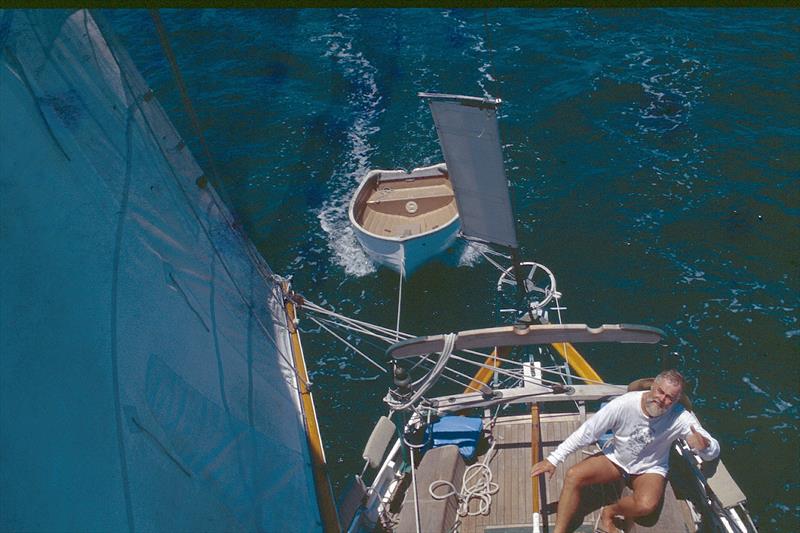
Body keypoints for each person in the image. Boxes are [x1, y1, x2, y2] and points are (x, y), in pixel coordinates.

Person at [530, 369, 719, 533]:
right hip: (616, 459)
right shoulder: (624, 404)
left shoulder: (681, 417)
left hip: (650, 468)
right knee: (573, 476)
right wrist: (554, 459)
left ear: (677, 399)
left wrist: (705, 446)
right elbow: (587, 433)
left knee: (646, 506)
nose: (663, 399)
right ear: (653, 386)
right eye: (661, 391)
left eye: (670, 397)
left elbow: (713, 450)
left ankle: (610, 512)